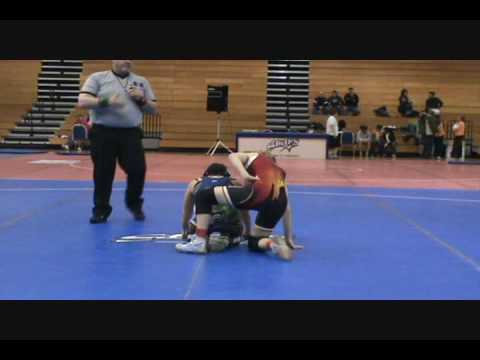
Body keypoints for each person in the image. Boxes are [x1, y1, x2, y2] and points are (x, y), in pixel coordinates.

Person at [176, 151, 301, 261]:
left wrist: (244, 173)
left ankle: (199, 240)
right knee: (254, 242)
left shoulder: (254, 156)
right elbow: (287, 208)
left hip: (260, 195)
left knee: (203, 195)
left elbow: (233, 156)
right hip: (278, 204)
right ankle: (273, 244)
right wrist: (289, 237)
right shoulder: (280, 173)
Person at [78, 60, 159, 224]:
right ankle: (101, 210)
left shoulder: (141, 81)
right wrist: (106, 101)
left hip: (130, 133)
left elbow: (153, 109)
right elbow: (82, 101)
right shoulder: (98, 78)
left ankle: (134, 204)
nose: (127, 61)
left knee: (137, 169)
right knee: (103, 173)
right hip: (103, 132)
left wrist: (142, 99)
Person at [181, 163, 249, 253]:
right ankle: (230, 239)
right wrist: (247, 229)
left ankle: (198, 236)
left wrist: (185, 228)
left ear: (206, 174)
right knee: (231, 223)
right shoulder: (234, 183)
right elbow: (244, 209)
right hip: (226, 225)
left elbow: (187, 209)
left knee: (195, 222)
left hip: (201, 224)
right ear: (226, 175)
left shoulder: (195, 183)